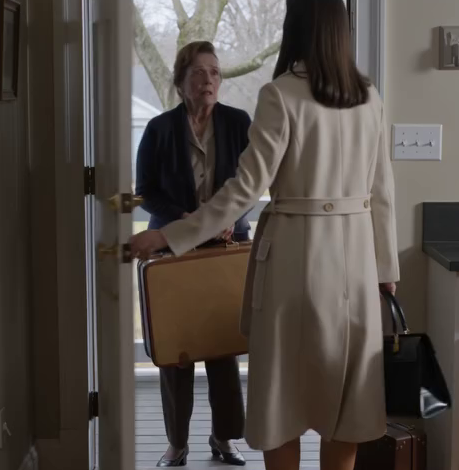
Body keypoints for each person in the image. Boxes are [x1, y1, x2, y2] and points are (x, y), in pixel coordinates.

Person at [130, 0, 400, 469]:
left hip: (294, 260)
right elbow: (383, 191)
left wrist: (170, 236)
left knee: (283, 401)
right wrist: (386, 270)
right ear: (341, 31)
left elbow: (243, 190)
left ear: (296, 26)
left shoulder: (281, 95)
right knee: (345, 403)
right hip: (357, 264)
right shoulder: (368, 96)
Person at [135, 40, 251, 467]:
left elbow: (251, 184)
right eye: (199, 73)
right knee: (176, 348)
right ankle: (176, 442)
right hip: (172, 248)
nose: (208, 80)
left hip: (226, 246)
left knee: (223, 343)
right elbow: (145, 192)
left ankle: (224, 438)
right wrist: (182, 219)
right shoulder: (159, 129)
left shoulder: (238, 122)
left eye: (214, 72)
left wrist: (229, 218)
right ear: (181, 82)